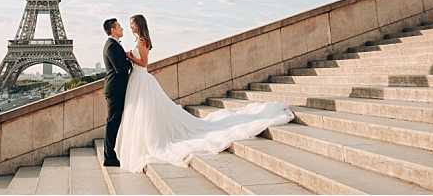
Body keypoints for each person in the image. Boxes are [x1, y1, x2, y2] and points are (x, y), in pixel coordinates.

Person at [114, 14, 295, 173]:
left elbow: (144, 63)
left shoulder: (143, 40)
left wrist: (130, 56)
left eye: (132, 23)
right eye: (129, 24)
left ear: (139, 24)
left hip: (142, 78)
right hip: (137, 80)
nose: (130, 26)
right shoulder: (139, 40)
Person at [102, 18, 133, 166]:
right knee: (113, 122)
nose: (122, 29)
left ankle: (111, 154)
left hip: (116, 89)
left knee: (114, 121)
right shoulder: (112, 46)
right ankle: (109, 157)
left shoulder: (113, 45)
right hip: (115, 90)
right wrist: (130, 59)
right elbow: (120, 69)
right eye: (119, 27)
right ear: (113, 30)